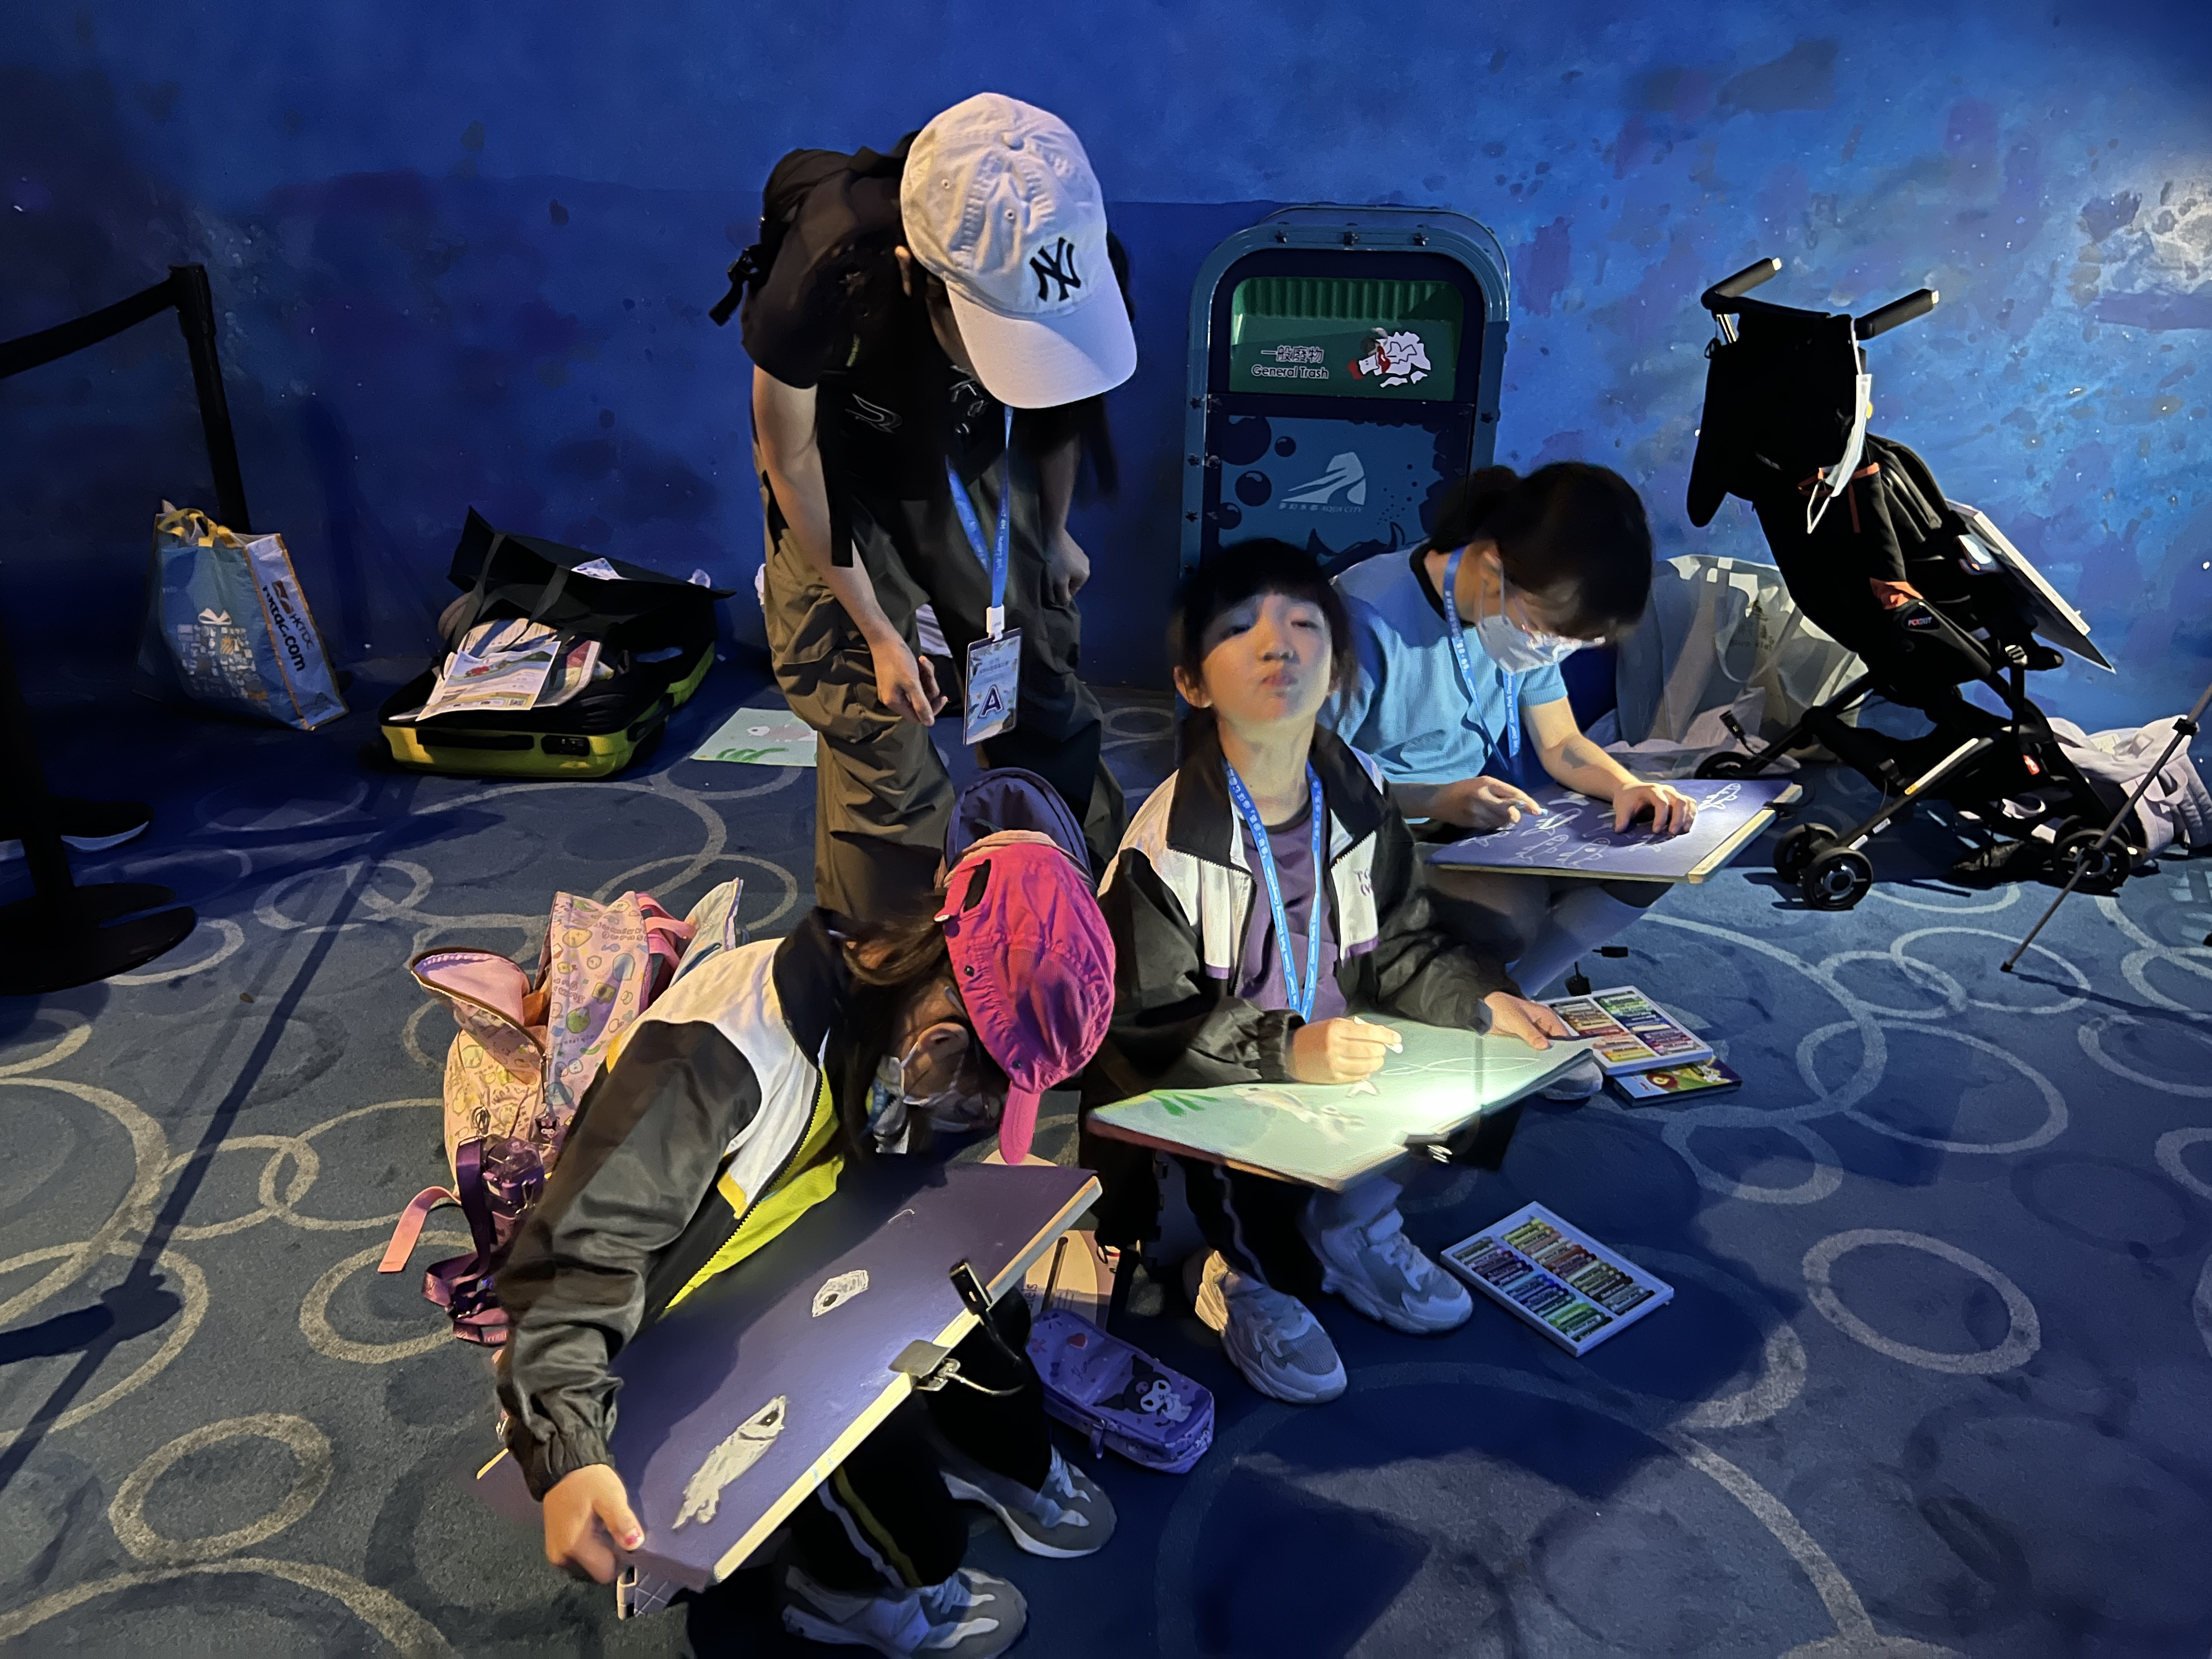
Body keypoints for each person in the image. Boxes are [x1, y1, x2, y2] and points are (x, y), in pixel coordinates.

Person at [496, 834, 1116, 1656]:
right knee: (892, 1506)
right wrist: (567, 1449)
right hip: (673, 1322)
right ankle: (846, 1596)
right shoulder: (715, 1056)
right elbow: (573, 1262)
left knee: (987, 1324)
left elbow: (893, 1165)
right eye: (976, 1093)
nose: (971, 1115)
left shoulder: (882, 1016)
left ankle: (981, 1462)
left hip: (809, 1251)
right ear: (937, 1040)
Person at [1081, 539, 1575, 1406]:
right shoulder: (1166, 844)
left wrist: (1483, 995)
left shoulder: (1359, 790)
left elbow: (1406, 941)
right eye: (1241, 629)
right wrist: (1285, 1052)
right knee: (1231, 1139)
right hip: (1212, 1092)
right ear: (1193, 683)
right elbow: (1141, 1031)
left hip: (1337, 1063)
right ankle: (1241, 1274)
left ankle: (1352, 1225)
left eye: (1304, 625)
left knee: (1492, 1052)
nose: (1278, 647)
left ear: (1338, 665)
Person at [745, 91, 1138, 925]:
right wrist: (878, 630)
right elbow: (791, 457)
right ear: (916, 277)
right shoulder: (824, 276)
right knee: (870, 697)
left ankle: (1087, 902)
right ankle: (897, 951)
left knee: (1032, 659)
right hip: (835, 467)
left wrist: (1054, 533)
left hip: (967, 447)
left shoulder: (1078, 247)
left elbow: (1057, 410)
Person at [1329, 463, 1695, 997]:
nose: (1549, 648)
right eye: (1544, 630)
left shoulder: (1521, 612)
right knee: (1509, 911)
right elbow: (1307, 783)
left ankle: (1518, 995)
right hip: (1370, 834)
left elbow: (1561, 742)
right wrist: (1435, 798)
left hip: (1470, 819)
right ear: (1494, 568)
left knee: (1655, 849)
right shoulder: (1362, 617)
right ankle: (1484, 1000)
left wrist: (1627, 786)